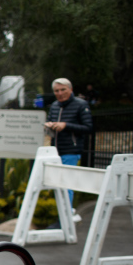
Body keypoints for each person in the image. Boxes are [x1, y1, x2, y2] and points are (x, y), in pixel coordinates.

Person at [44, 78, 93, 216]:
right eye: (56, 91)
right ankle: (62, 215)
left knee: (66, 184)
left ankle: (66, 216)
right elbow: (49, 120)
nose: (60, 93)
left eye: (63, 90)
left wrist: (65, 125)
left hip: (71, 150)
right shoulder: (54, 106)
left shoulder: (81, 104)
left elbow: (88, 127)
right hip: (55, 151)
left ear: (70, 89)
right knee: (57, 184)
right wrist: (49, 125)